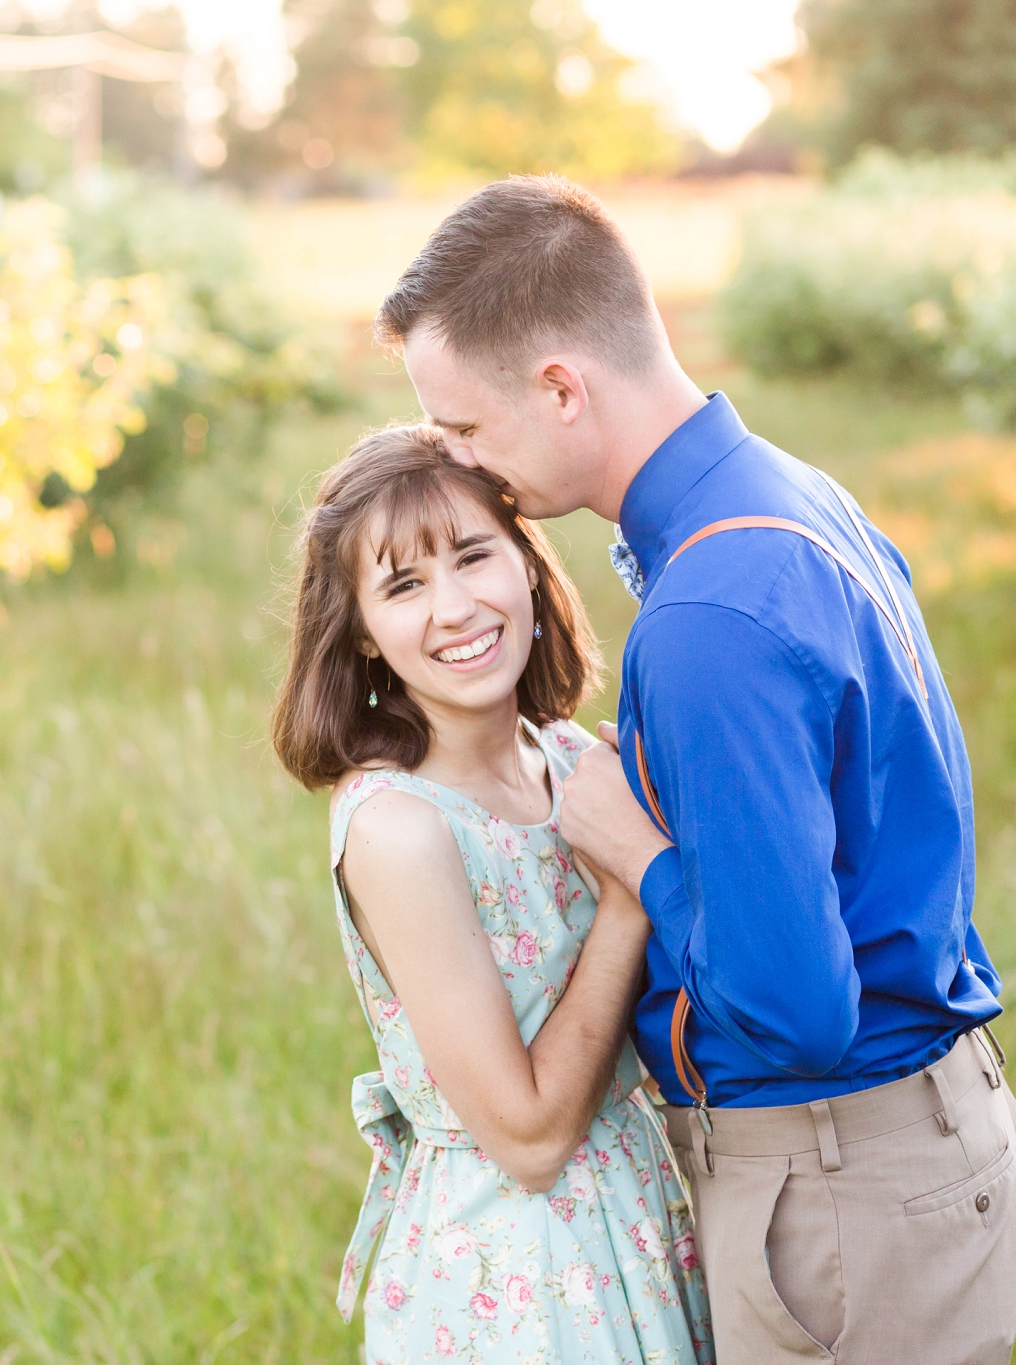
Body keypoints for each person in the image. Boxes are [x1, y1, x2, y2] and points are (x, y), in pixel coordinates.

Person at [379, 174, 1016, 1364]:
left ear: (561, 386)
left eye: (464, 429)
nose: (462, 464)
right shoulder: (787, 497)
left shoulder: (708, 615)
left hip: (841, 1182)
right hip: (918, 1144)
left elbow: (793, 1013)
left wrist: (639, 860)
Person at [271, 424, 713, 1363]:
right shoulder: (399, 827)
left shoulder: (572, 762)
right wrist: (632, 898)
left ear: (527, 566)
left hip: (647, 1211)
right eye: (403, 585)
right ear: (361, 631)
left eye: (474, 556)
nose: (456, 606)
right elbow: (528, 1138)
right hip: (521, 1274)